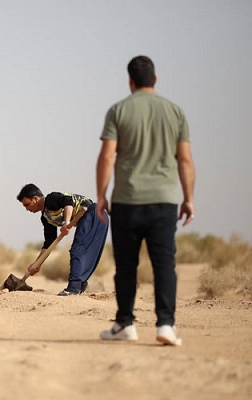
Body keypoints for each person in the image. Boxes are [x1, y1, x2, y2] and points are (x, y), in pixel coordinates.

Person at [96, 55, 195, 346]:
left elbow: (106, 156)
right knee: (164, 264)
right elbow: (185, 159)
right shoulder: (175, 111)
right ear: (156, 79)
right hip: (165, 201)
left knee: (126, 266)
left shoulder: (119, 110)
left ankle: (125, 324)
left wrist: (101, 195)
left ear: (130, 81)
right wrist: (188, 198)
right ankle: (166, 325)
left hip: (127, 200)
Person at [17, 184, 109, 295]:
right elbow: (48, 243)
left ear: (36, 199)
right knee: (85, 253)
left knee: (78, 250)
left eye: (27, 204)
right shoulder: (46, 218)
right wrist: (37, 264)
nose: (27, 209)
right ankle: (80, 287)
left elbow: (68, 202)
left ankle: (73, 289)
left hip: (93, 213)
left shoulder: (51, 199)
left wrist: (66, 222)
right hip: (96, 218)